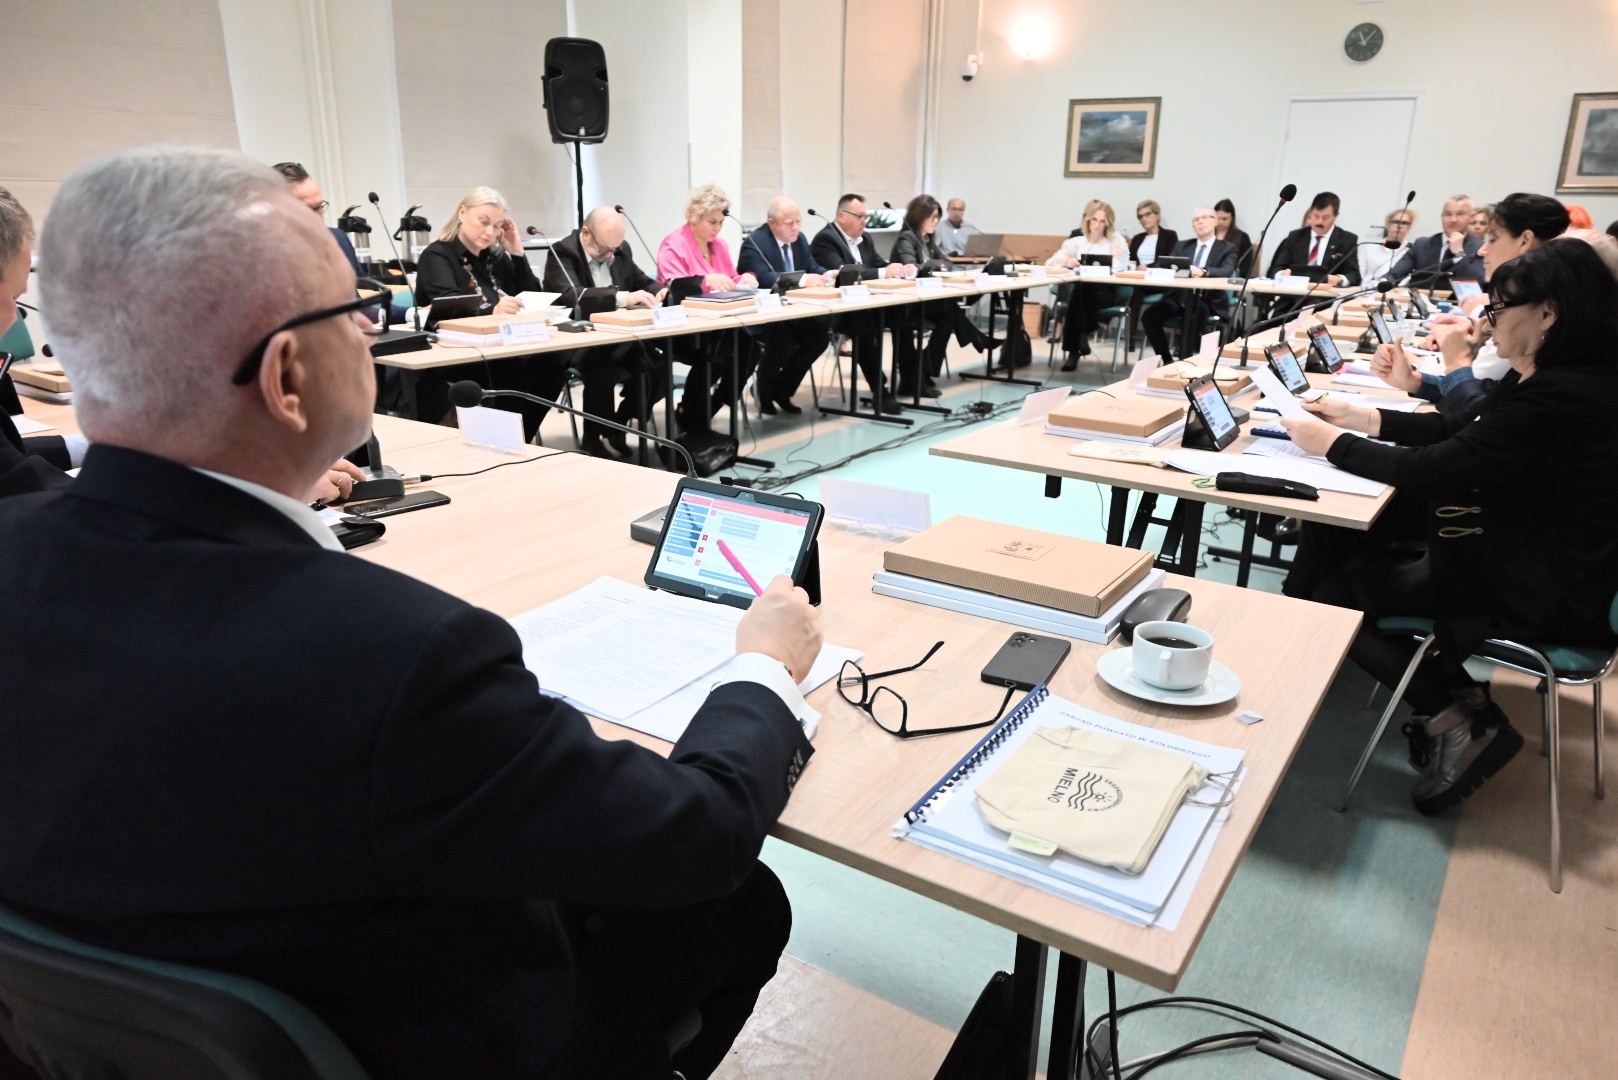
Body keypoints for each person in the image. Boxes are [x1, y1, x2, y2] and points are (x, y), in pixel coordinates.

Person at [2, 144, 823, 1080]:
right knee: (741, 902)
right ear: (286, 377)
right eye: (349, 311)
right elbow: (699, 836)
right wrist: (762, 669)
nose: (371, 326)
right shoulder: (394, 655)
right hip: (434, 1034)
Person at [1278, 240, 1618, 814]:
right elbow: (1464, 429)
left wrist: (1332, 444)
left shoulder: (1563, 394)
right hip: (1539, 553)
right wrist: (1363, 418)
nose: (1488, 321)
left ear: (1548, 313)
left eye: (1499, 308)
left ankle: (1456, 718)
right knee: (1343, 546)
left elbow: (1434, 471)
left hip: (1543, 587)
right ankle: (1456, 698)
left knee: (1336, 591)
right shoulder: (1563, 375)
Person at [1372, 193, 1570, 414]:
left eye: (1492, 239)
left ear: (1525, 240)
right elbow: (1491, 392)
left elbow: (1477, 398)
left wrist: (1449, 360)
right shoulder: (1538, 297)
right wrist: (1415, 380)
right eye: (1447, 214)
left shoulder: (1530, 306)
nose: (1483, 250)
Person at [415, 187, 564, 442]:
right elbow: (448, 308)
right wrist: (492, 310)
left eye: (496, 226)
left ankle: (520, 440)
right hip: (454, 353)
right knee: (515, 374)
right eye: (483, 222)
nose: (489, 232)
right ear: (462, 213)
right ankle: (505, 442)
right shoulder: (437, 255)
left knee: (551, 370)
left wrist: (517, 253)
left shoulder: (494, 258)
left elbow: (531, 294)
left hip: (499, 347)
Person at [542, 205, 666, 459]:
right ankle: (592, 438)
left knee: (658, 363)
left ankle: (619, 424)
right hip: (578, 339)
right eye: (604, 249)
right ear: (586, 233)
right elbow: (572, 295)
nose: (611, 255)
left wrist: (661, 290)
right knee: (602, 365)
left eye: (615, 249)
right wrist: (623, 298)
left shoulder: (620, 249)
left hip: (619, 335)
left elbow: (641, 281)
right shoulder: (563, 252)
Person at [656, 183, 760, 433]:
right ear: (694, 216)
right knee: (716, 353)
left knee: (750, 348)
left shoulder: (719, 245)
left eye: (720, 222)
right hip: (682, 327)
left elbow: (730, 279)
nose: (717, 228)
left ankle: (711, 406)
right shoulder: (673, 244)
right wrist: (705, 281)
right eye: (712, 222)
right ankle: (693, 417)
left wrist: (747, 278)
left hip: (717, 323)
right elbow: (674, 287)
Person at [809, 192, 916, 414]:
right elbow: (843, 274)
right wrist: (883, 272)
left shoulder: (865, 238)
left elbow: (877, 263)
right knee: (862, 325)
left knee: (903, 313)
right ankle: (880, 390)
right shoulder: (826, 239)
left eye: (866, 216)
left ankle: (911, 378)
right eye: (860, 216)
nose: (864, 221)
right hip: (838, 310)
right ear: (842, 216)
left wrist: (897, 268)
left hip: (865, 304)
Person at [890, 195, 998, 397]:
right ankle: (976, 339)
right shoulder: (907, 239)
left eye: (937, 217)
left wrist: (937, 266)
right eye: (932, 217)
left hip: (924, 300)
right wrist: (933, 266)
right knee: (949, 309)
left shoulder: (927, 240)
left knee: (948, 315)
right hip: (906, 303)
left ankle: (924, 369)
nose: (936, 221)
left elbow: (947, 263)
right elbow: (910, 267)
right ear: (920, 216)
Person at [734, 195, 834, 414]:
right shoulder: (754, 243)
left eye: (798, 221)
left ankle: (783, 390)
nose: (796, 227)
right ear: (772, 223)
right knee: (783, 342)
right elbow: (763, 278)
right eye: (790, 223)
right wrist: (804, 280)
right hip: (764, 316)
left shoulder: (799, 240)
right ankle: (763, 393)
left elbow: (812, 266)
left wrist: (827, 275)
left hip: (795, 312)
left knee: (819, 338)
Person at [1139, 208, 1237, 362]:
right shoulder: (1182, 246)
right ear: (1193, 226)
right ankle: (1167, 361)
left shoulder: (1227, 248)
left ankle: (1185, 361)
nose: (1200, 221)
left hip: (1207, 299)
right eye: (1196, 219)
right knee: (1149, 316)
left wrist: (1203, 271)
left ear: (1215, 221)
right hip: (1178, 297)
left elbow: (1227, 270)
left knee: (1193, 313)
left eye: (1205, 217)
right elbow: (1163, 265)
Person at [1047, 199, 1128, 371]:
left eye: (1102, 221)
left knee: (1079, 295)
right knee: (1080, 292)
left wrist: (1101, 268)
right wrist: (1068, 261)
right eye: (1094, 220)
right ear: (1087, 220)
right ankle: (1080, 340)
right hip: (1082, 292)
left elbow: (1121, 266)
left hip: (1105, 291)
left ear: (1108, 223)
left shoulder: (1114, 241)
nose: (1097, 225)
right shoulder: (1077, 242)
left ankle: (1073, 351)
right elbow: (1051, 262)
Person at [273, 161, 364, 278]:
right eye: (307, 211)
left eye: (319, 207)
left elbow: (363, 287)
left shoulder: (339, 241)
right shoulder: (261, 262)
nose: (319, 220)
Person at [1384, 195, 1485, 290]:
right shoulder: (1421, 245)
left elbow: (1478, 283)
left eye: (1460, 214)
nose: (1453, 219)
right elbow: (1394, 275)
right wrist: (1382, 284)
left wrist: (1459, 253)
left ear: (1471, 217)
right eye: (1448, 214)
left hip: (1456, 302)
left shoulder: (1479, 247)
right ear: (1442, 216)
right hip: (1420, 300)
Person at [1266, 191, 1361, 286]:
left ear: (1335, 216)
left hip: (1328, 293)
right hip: (1294, 292)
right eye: (1316, 216)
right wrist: (1282, 274)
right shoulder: (1295, 237)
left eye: (1326, 217)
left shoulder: (1347, 240)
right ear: (1310, 213)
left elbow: (1354, 275)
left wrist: (1338, 279)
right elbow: (1276, 269)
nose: (1319, 221)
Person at [1360, 206, 1416, 284]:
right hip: (1369, 288)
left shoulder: (1412, 251)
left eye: (1404, 223)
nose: (1400, 226)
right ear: (1388, 224)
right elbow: (1360, 273)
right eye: (1396, 222)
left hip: (1398, 290)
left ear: (1409, 227)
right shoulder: (1371, 248)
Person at [1127, 199, 1178, 269]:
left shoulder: (1169, 235)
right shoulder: (1137, 238)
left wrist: (1147, 267)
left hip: (1159, 273)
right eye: (1140, 217)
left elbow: (1170, 260)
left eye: (1147, 214)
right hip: (1138, 273)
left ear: (1157, 215)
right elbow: (1131, 260)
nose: (1144, 219)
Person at [1213, 198, 1254, 277]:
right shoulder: (1207, 235)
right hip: (1208, 276)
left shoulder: (1242, 237)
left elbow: (1246, 266)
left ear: (1232, 218)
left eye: (1224, 219)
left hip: (1232, 278)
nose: (1220, 222)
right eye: (1218, 218)